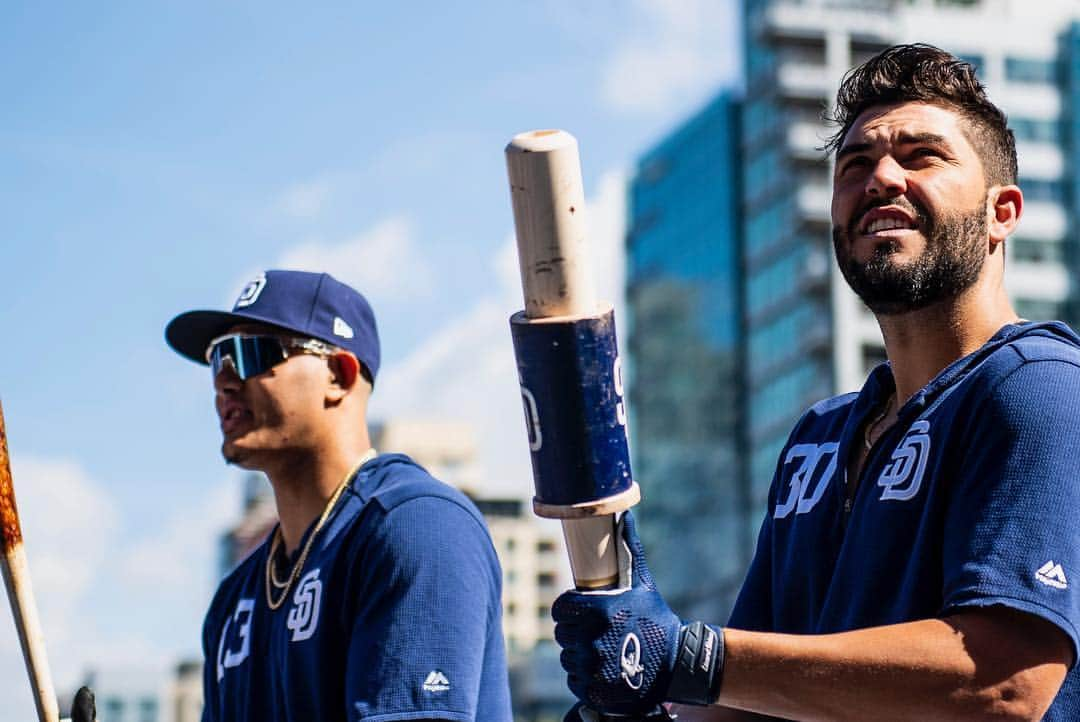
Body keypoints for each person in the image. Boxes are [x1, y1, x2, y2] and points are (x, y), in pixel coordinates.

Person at [552, 44, 1080, 721]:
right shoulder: (817, 440)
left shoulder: (1038, 388)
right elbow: (751, 704)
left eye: (923, 156)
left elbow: (1002, 683)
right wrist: (644, 702)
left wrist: (691, 659)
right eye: (855, 164)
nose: (881, 177)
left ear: (1001, 212)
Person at [161, 269, 512, 721]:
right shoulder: (236, 597)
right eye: (217, 360)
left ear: (339, 375)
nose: (224, 382)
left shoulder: (415, 525)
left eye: (248, 354)